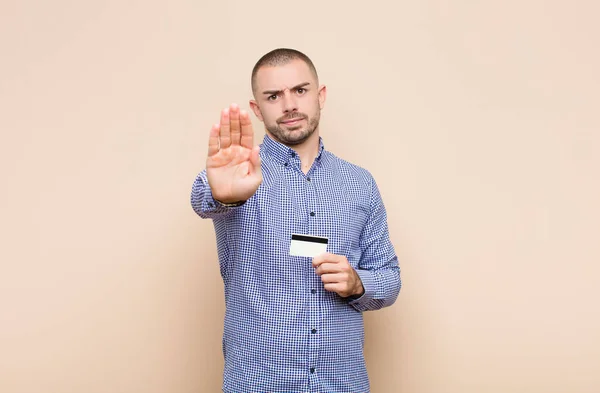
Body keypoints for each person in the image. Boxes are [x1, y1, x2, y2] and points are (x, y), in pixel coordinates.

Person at [190, 48, 401, 393]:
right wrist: (224, 193)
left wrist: (357, 283)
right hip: (258, 383)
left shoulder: (359, 183)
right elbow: (203, 199)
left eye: (300, 91)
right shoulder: (239, 173)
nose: (289, 105)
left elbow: (390, 278)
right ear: (257, 108)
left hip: (342, 384)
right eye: (274, 96)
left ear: (320, 97)